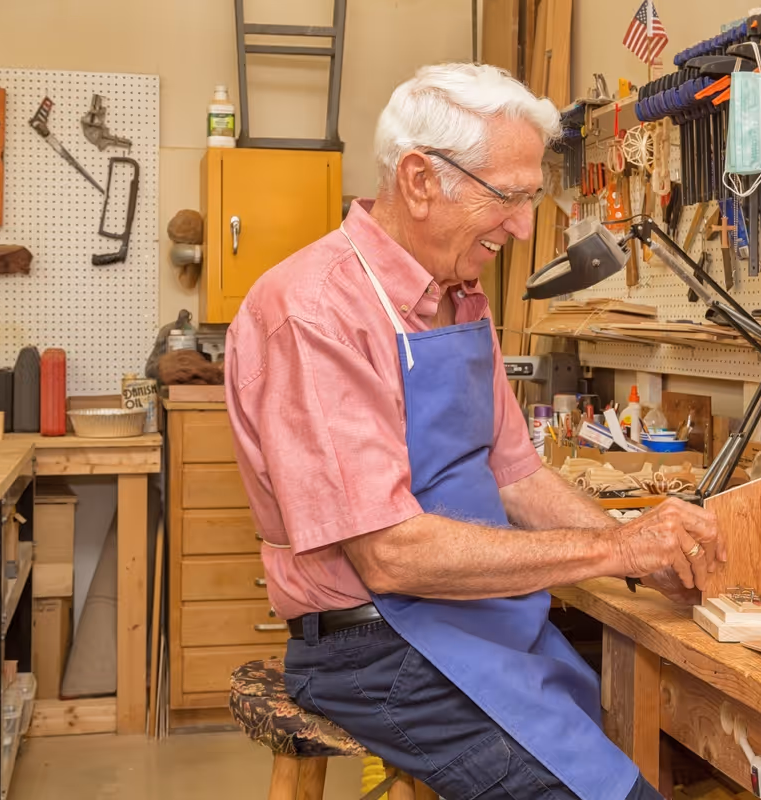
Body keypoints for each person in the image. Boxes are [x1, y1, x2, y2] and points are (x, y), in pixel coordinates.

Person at [225, 62, 723, 800]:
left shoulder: (460, 295)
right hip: (374, 647)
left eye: (532, 197)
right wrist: (611, 545)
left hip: (475, 620)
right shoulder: (317, 311)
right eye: (509, 197)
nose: (524, 226)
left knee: (656, 744)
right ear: (421, 180)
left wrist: (640, 552)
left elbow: (516, 473)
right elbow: (390, 555)